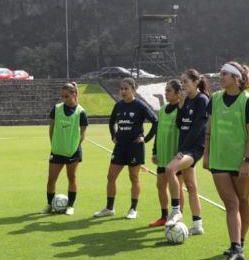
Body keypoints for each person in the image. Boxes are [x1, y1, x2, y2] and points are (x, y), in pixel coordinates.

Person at [204, 62, 249, 260]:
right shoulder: (215, 99)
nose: (221, 77)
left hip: (241, 161)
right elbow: (209, 129)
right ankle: (236, 246)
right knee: (231, 203)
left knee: (242, 201)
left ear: (237, 78)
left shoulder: (248, 101)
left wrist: (246, 161)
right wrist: (206, 154)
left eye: (225, 74)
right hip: (219, 159)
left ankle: (239, 243)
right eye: (220, 74)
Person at [94, 78, 156, 219]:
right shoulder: (119, 105)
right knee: (111, 176)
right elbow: (111, 122)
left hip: (135, 147)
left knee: (133, 177)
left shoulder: (140, 106)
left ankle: (133, 209)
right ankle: (109, 208)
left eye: (126, 88)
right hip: (120, 147)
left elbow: (155, 121)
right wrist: (113, 135)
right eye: (121, 88)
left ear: (134, 90)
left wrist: (145, 139)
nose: (123, 91)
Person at [165, 69, 210, 236]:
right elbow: (180, 124)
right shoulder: (186, 100)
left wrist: (183, 150)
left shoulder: (202, 100)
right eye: (182, 82)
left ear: (195, 82)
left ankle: (176, 209)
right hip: (185, 146)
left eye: (186, 82)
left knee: (170, 169)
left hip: (194, 148)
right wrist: (181, 105)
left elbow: (198, 128)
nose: (183, 85)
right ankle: (198, 225)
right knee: (191, 186)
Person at [44, 82, 88, 215]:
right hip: (57, 150)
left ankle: (70, 206)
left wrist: (73, 147)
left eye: (67, 96)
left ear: (74, 94)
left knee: (72, 178)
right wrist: (55, 144)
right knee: (51, 179)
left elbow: (82, 134)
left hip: (73, 151)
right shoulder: (56, 108)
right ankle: (49, 205)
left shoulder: (81, 112)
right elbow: (51, 128)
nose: (64, 99)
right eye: (62, 96)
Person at [149, 80, 185, 227]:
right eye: (166, 90)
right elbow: (158, 131)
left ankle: (178, 217)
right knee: (160, 185)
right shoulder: (163, 109)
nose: (166, 93)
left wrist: (181, 151)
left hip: (175, 156)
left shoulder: (181, 110)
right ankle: (164, 216)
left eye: (169, 91)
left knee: (177, 188)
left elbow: (184, 133)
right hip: (162, 154)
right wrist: (155, 151)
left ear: (178, 93)